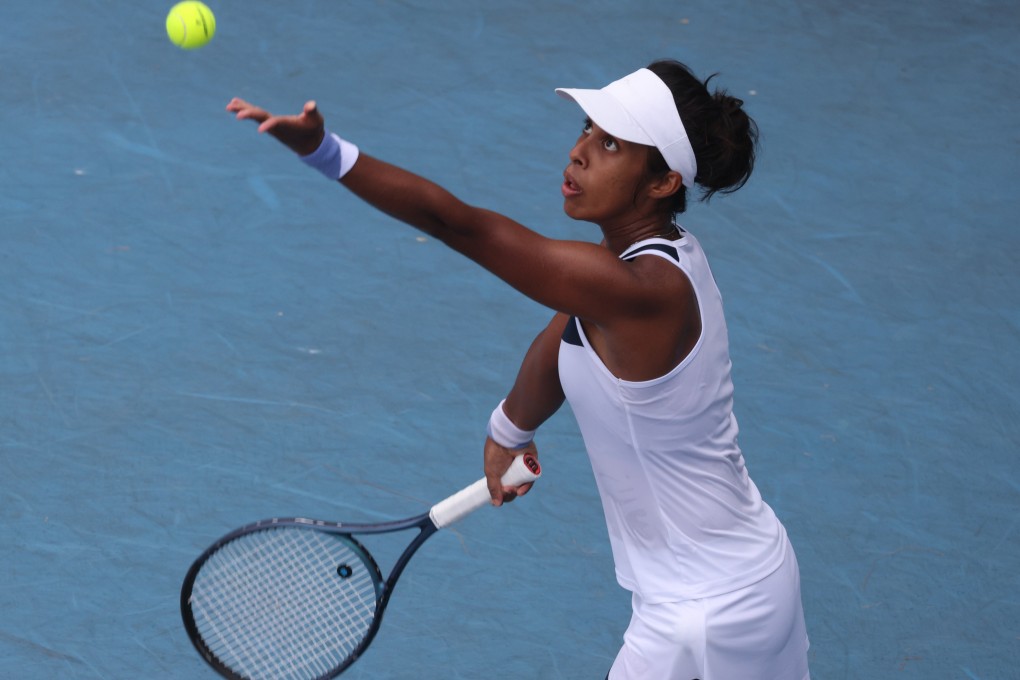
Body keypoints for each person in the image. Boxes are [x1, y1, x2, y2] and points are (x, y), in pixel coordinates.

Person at [227, 59, 810, 680]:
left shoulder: (642, 288)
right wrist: (511, 428)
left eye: (610, 142)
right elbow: (564, 334)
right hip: (732, 578)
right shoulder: (651, 261)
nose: (579, 151)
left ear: (663, 181)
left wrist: (326, 152)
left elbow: (457, 225)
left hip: (711, 616)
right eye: (587, 128)